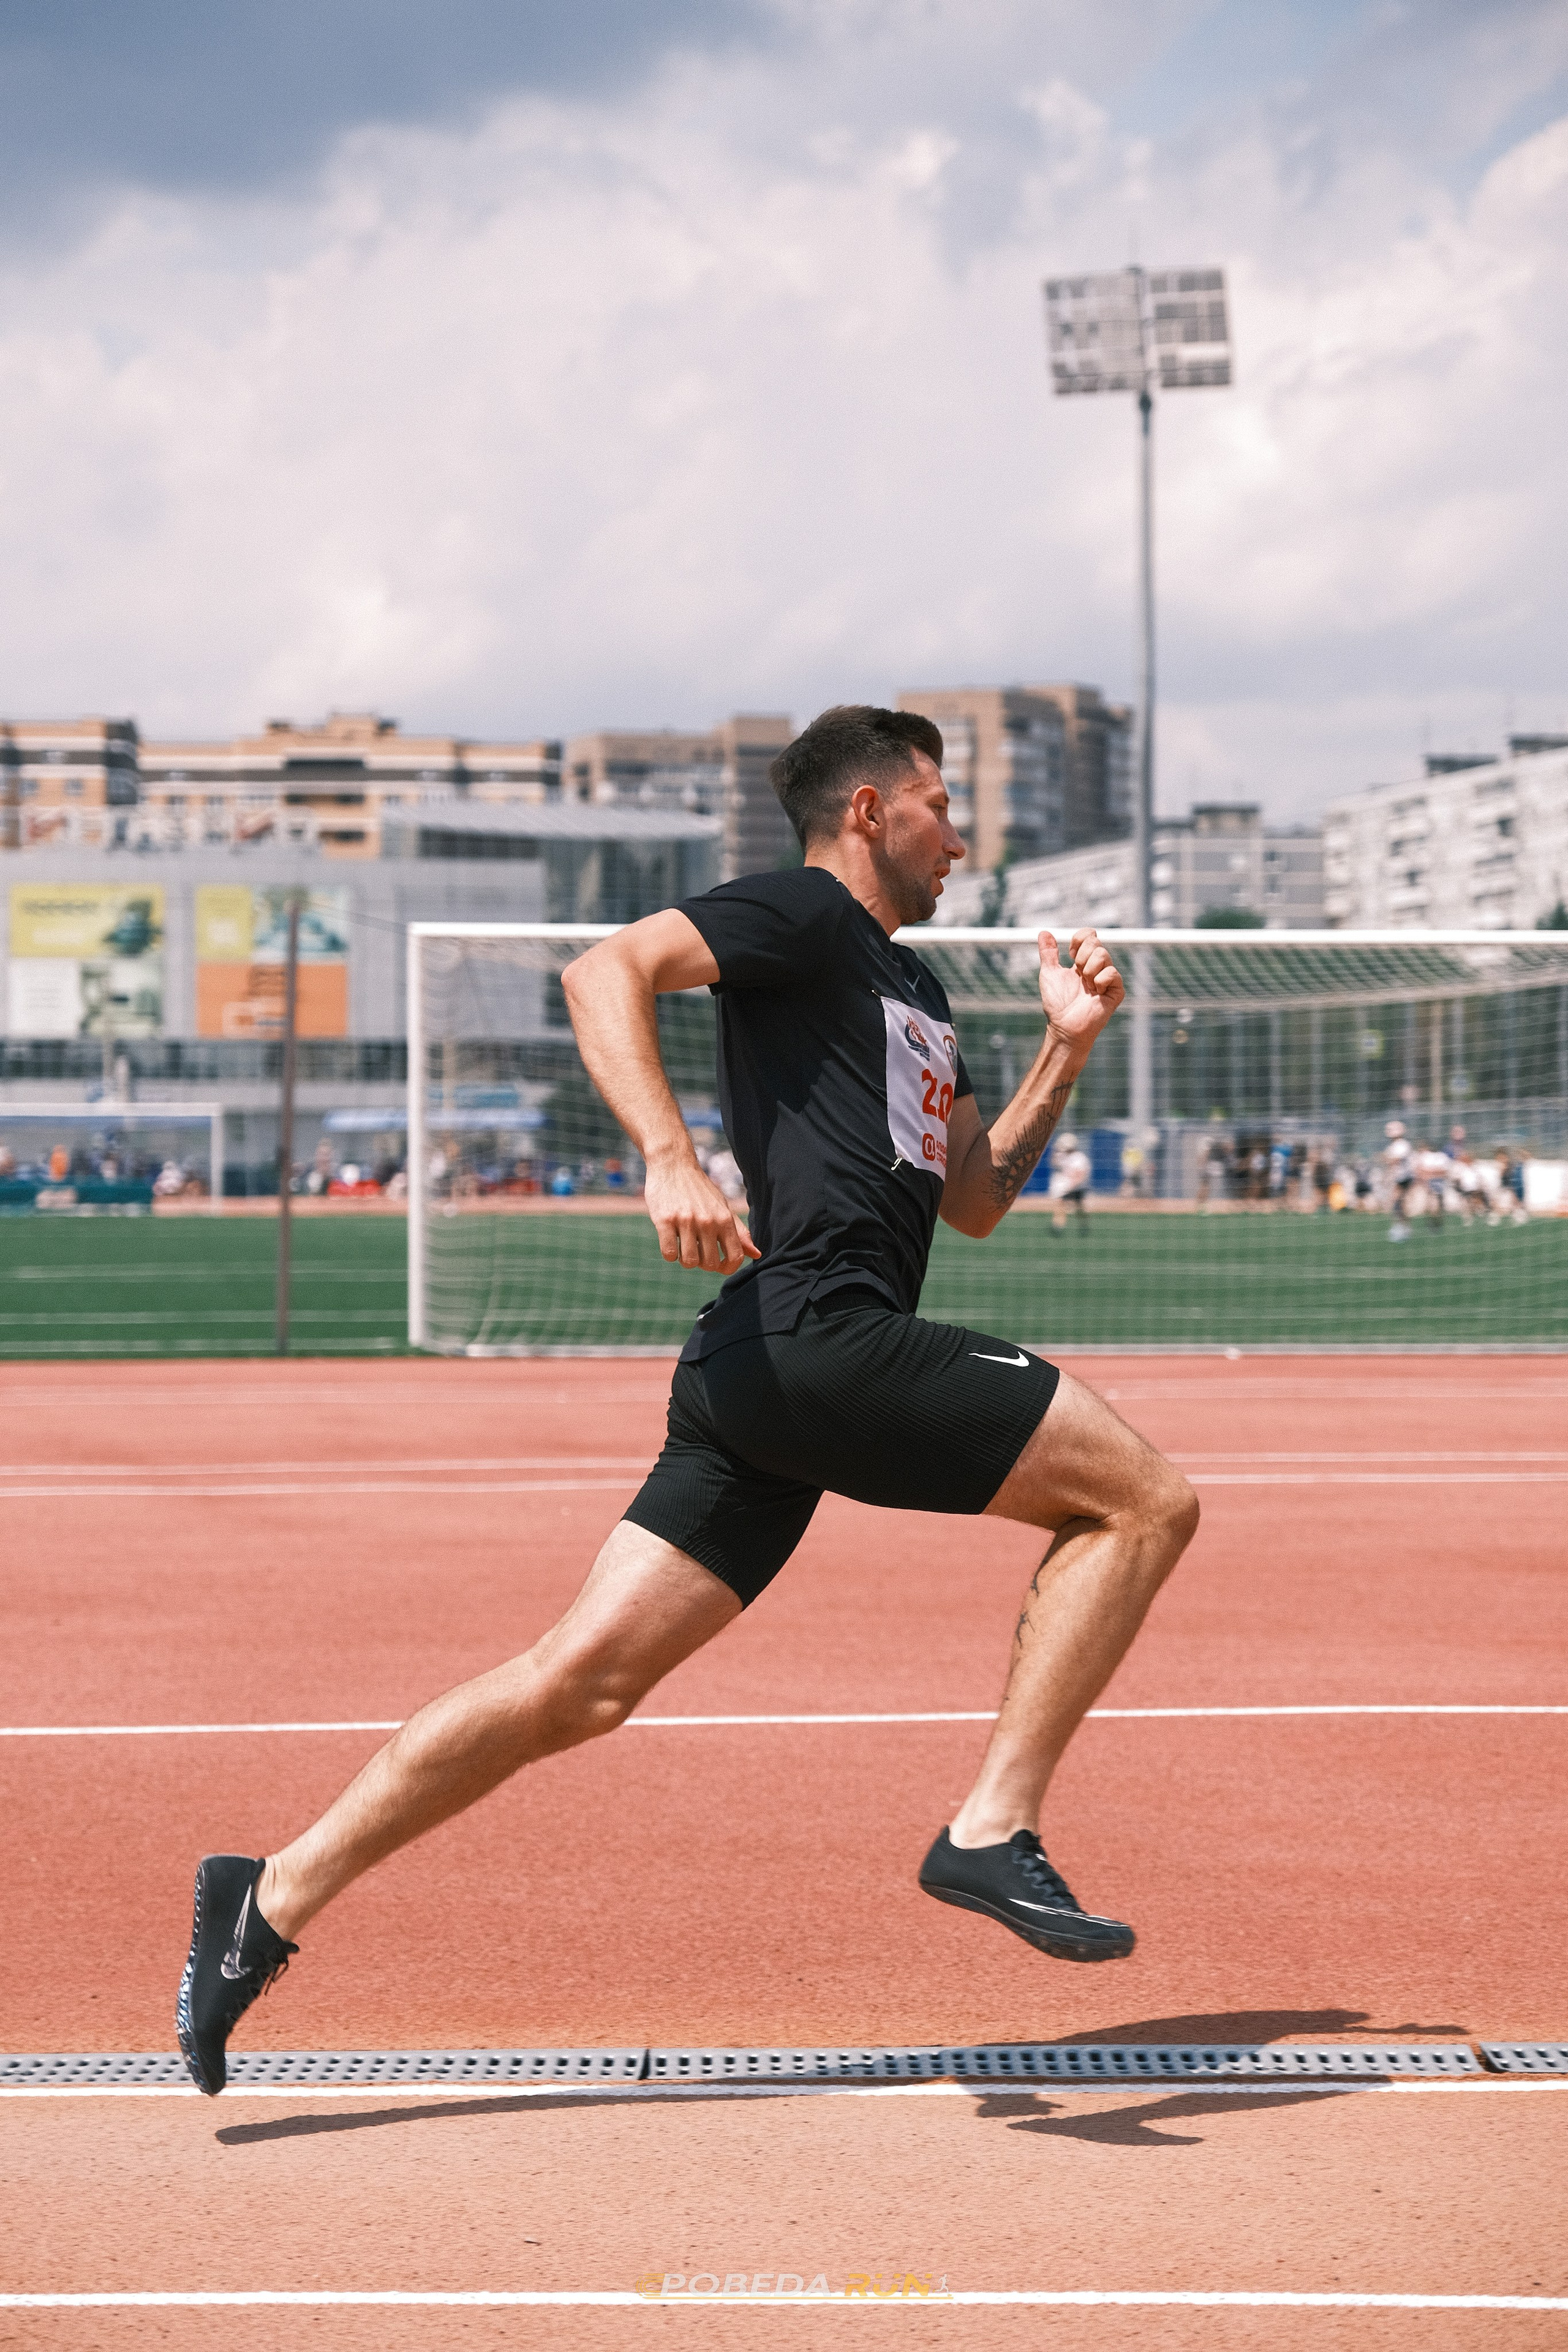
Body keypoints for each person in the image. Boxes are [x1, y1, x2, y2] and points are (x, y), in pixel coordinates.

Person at [176, 704, 1199, 2095]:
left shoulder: (916, 992)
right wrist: (667, 1155)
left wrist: (1063, 1047)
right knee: (1143, 1498)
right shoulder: (797, 913)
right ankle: (989, 1824)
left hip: (771, 1371)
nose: (961, 838)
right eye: (940, 805)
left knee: (574, 1684)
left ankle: (269, 1894)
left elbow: (971, 1200)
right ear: (864, 811)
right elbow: (609, 968)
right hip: (810, 1333)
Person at [1048, 1131, 1091, 1232]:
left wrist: (1072, 1185)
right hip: (1067, 1186)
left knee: (1079, 1206)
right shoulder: (1063, 1156)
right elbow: (1054, 1163)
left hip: (1078, 1186)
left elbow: (1081, 1174)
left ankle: (1084, 1225)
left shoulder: (1079, 1157)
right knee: (1060, 1204)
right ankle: (1058, 1226)